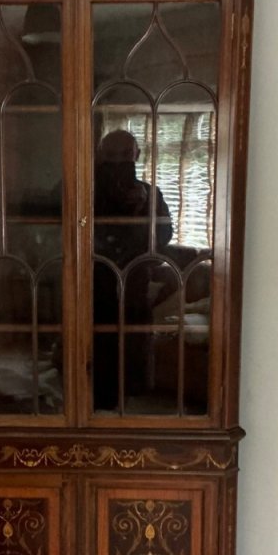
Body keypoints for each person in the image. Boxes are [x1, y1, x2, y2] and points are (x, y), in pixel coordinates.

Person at [92, 130, 172, 409]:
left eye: (126, 155)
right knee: (99, 338)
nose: (119, 162)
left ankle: (130, 398)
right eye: (111, 156)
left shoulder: (151, 194)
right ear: (100, 156)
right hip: (95, 279)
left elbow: (164, 235)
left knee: (134, 339)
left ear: (137, 154)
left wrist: (141, 210)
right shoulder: (85, 189)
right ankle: (99, 400)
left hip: (135, 279)